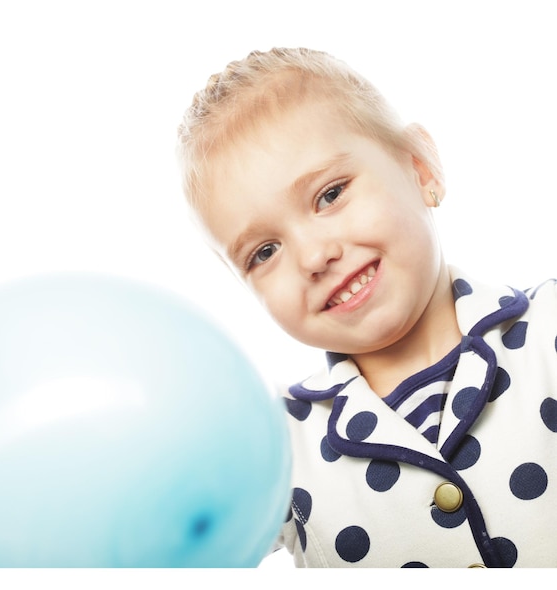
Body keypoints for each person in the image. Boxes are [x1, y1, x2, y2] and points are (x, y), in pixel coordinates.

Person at [176, 47, 557, 568]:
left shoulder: (549, 331)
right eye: (264, 252)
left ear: (420, 168)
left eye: (329, 195)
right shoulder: (273, 446)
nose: (313, 256)